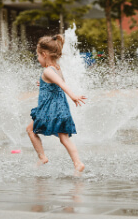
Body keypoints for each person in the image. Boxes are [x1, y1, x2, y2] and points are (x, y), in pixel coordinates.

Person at [26, 34, 86, 172]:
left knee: (30, 130)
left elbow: (61, 84)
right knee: (64, 138)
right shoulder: (57, 68)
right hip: (61, 108)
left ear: (45, 54)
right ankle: (78, 163)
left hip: (49, 109)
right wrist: (42, 84)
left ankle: (42, 157)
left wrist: (73, 96)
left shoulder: (48, 70)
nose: (38, 59)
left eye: (38, 56)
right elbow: (56, 83)